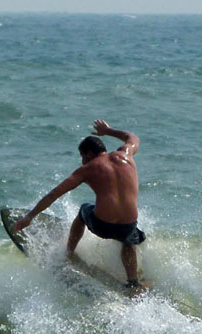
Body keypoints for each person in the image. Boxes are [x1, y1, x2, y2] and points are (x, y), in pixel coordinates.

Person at [12, 119, 147, 289]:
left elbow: (55, 194)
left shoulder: (88, 169)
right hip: (127, 226)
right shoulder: (126, 154)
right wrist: (108, 130)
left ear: (89, 154)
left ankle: (68, 254)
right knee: (129, 239)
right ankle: (133, 282)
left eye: (83, 157)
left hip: (103, 226)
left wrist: (29, 217)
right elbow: (132, 137)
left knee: (83, 210)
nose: (82, 161)